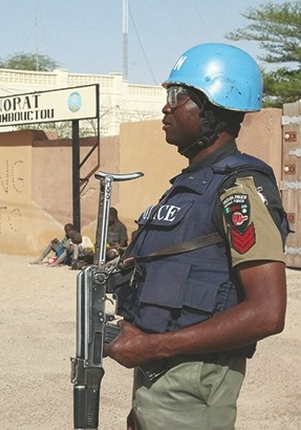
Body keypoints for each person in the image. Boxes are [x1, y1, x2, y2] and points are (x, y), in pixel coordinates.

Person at [104, 43, 289, 429]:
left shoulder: (237, 189)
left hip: (192, 396)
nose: (165, 107)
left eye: (178, 96)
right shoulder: (189, 186)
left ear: (211, 109)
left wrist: (153, 346)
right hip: (158, 388)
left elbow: (268, 312)